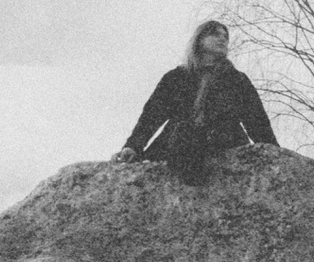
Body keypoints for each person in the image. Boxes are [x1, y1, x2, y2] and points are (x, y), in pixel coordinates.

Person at [111, 20, 277, 179]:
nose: (223, 39)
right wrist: (133, 146)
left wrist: (275, 154)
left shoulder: (236, 80)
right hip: (180, 144)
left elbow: (257, 120)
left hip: (224, 143)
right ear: (199, 40)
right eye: (215, 34)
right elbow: (152, 115)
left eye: (225, 36)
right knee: (184, 133)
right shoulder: (175, 78)